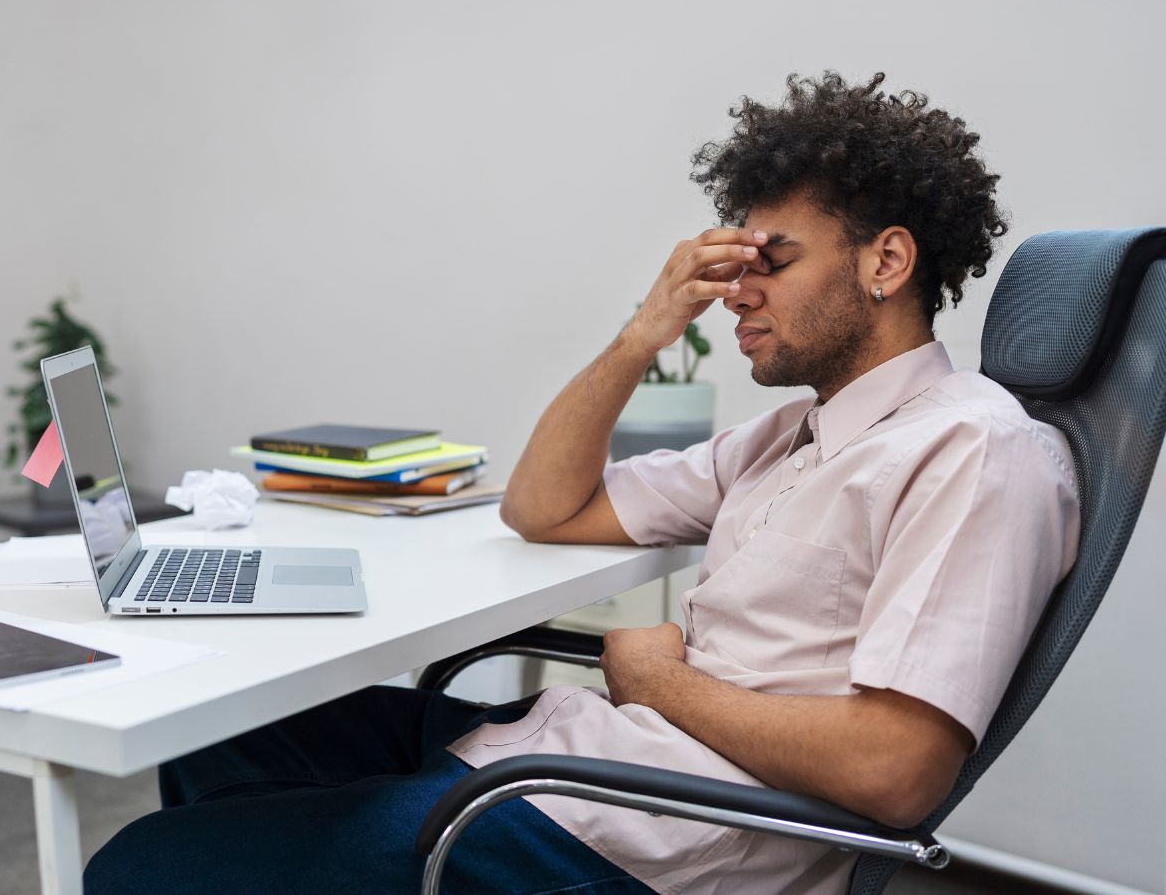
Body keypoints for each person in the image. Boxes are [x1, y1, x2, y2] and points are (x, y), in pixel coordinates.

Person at [83, 72, 1080, 894]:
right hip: (590, 759)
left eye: (770, 261)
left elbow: (897, 771)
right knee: (226, 737)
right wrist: (645, 329)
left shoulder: (972, 449)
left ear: (886, 260)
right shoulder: (793, 436)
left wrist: (664, 683)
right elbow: (543, 508)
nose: (738, 292)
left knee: (139, 867)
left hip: (663, 842)